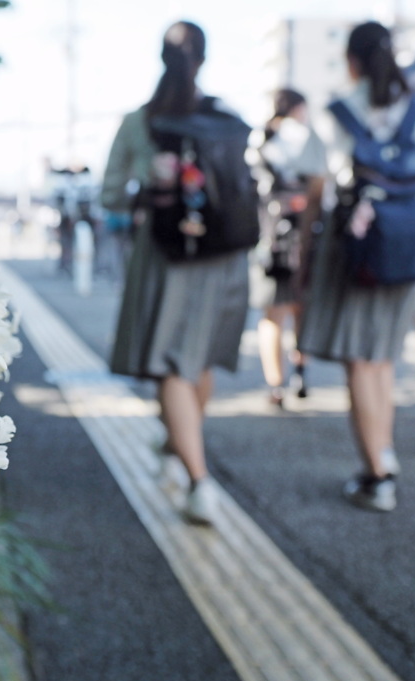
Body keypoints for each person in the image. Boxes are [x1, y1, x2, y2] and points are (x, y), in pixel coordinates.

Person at [296, 21, 415, 512]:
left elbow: (316, 195)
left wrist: (302, 254)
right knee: (383, 356)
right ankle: (384, 454)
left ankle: (376, 472)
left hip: (353, 250)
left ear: (352, 62)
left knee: (360, 359)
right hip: (414, 248)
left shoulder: (336, 115)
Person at [101, 21, 252, 524]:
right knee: (199, 357)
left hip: (167, 251)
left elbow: (109, 194)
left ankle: (199, 481)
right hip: (225, 253)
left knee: (170, 363)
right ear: (203, 60)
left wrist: (144, 196)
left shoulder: (139, 120)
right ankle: (177, 446)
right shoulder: (227, 117)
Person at [255, 87, 328, 407]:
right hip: (306, 232)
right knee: (301, 307)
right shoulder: (306, 136)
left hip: (269, 235)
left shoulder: (260, 139)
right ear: (298, 108)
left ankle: (275, 384)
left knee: (273, 314)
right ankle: (300, 371)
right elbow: (321, 183)